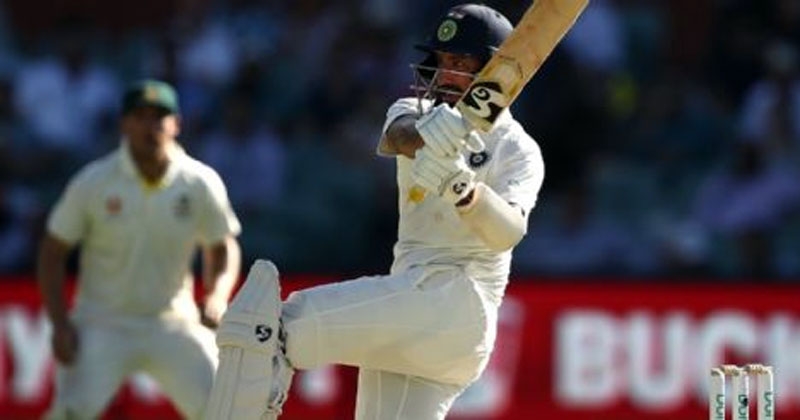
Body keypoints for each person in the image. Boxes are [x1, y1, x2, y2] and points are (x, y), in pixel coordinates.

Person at [205, 4, 544, 420]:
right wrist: (433, 136)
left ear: (492, 71)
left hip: (459, 305)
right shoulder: (414, 112)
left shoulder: (517, 149)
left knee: (271, 328)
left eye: (459, 63)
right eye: (441, 61)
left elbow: (508, 232)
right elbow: (399, 137)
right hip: (414, 299)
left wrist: (462, 189)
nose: (445, 74)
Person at [37, 79, 242, 420]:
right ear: (124, 124)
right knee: (71, 412)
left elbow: (222, 246)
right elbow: (52, 252)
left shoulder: (199, 182)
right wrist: (60, 324)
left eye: (159, 117)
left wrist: (218, 297)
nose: (150, 126)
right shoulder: (94, 181)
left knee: (225, 409)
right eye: (140, 116)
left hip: (173, 320)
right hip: (102, 321)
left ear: (176, 124)